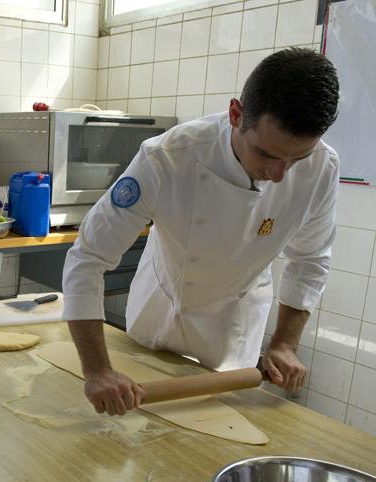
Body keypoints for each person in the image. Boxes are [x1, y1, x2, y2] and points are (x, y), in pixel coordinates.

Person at [62, 47, 340, 416]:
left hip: (234, 329)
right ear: (236, 114)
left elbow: (310, 259)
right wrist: (97, 370)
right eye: (266, 155)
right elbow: (88, 256)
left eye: (297, 159)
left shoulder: (322, 167)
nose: (279, 175)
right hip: (162, 314)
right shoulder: (167, 157)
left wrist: (285, 343)